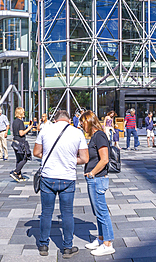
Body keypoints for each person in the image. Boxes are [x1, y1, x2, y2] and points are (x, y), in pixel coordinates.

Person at [35, 110, 89, 258]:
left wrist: (50, 158)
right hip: (67, 178)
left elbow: (36, 152)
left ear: (56, 119)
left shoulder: (45, 130)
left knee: (46, 213)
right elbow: (85, 158)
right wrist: (70, 160)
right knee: (67, 214)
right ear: (69, 120)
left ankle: (44, 245)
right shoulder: (77, 133)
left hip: (48, 177)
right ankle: (67, 247)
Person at [80, 111, 116, 256]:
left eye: (83, 122)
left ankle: (108, 243)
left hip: (98, 179)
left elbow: (104, 159)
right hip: (94, 179)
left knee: (102, 212)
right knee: (98, 211)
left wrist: (92, 173)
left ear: (89, 121)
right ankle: (101, 239)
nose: (81, 125)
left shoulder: (100, 136)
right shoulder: (95, 136)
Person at [11, 107, 36, 181]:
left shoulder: (14, 121)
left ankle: (19, 175)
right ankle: (15, 172)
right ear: (20, 113)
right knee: (25, 158)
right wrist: (29, 128)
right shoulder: (20, 122)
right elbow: (21, 133)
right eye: (23, 112)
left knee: (19, 159)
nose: (24, 113)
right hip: (20, 142)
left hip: (15, 141)